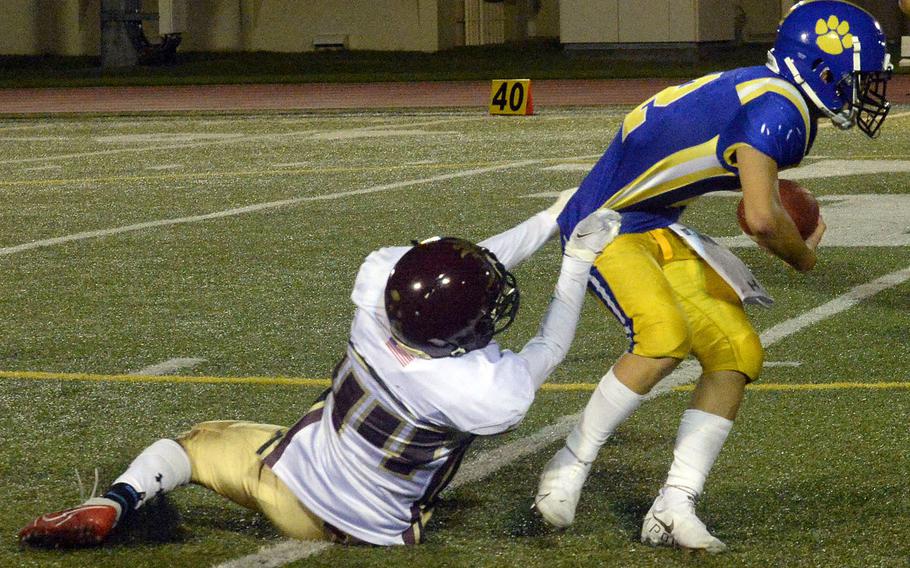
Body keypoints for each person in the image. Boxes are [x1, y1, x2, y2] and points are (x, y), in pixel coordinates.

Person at [18, 194, 621, 548]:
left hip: (289, 492)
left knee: (195, 444)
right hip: (383, 530)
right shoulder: (485, 392)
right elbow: (549, 345)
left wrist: (553, 217)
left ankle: (119, 500)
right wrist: (575, 254)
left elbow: (463, 264)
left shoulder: (376, 291)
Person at [533, 0, 892, 553]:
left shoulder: (767, 90)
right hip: (604, 226)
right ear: (825, 68)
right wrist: (805, 257)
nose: (866, 91)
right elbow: (763, 219)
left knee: (737, 351)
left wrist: (769, 215)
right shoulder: (779, 110)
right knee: (662, 339)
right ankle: (570, 461)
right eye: (860, 76)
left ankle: (675, 502)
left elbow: (751, 204)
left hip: (656, 224)